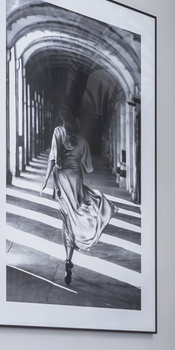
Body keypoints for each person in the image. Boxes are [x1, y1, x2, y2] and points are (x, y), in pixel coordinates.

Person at [40, 110, 113, 286]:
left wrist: (45, 179)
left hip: (62, 179)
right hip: (76, 179)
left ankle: (67, 259)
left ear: (63, 119)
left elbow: (52, 158)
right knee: (74, 217)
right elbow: (88, 166)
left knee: (66, 220)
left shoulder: (58, 132)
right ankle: (68, 259)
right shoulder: (82, 139)